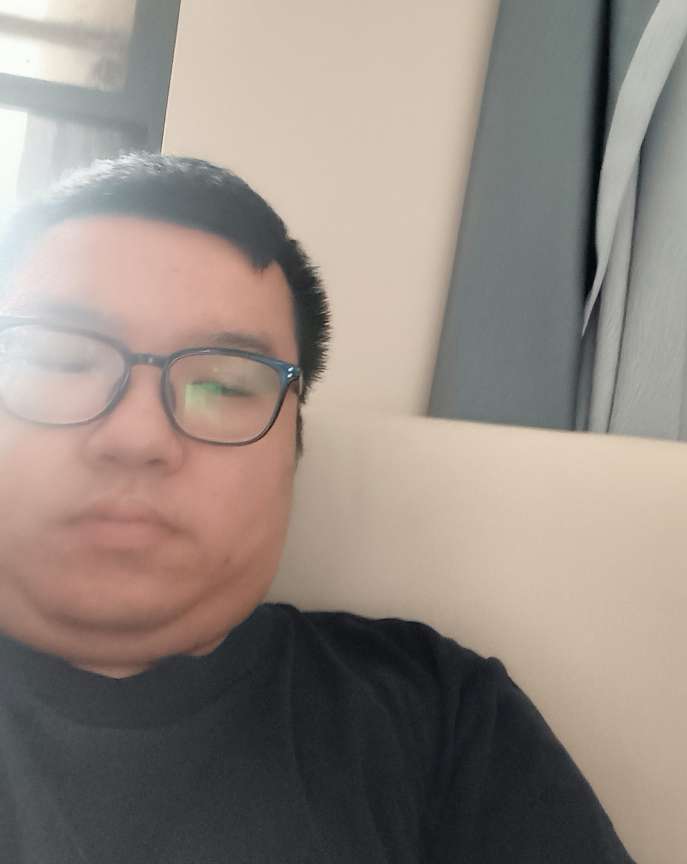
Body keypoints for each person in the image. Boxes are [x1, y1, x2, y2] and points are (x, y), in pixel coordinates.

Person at [0, 153, 635, 863]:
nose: (138, 436)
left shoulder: (438, 717)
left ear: (294, 453)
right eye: (56, 360)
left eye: (222, 386)